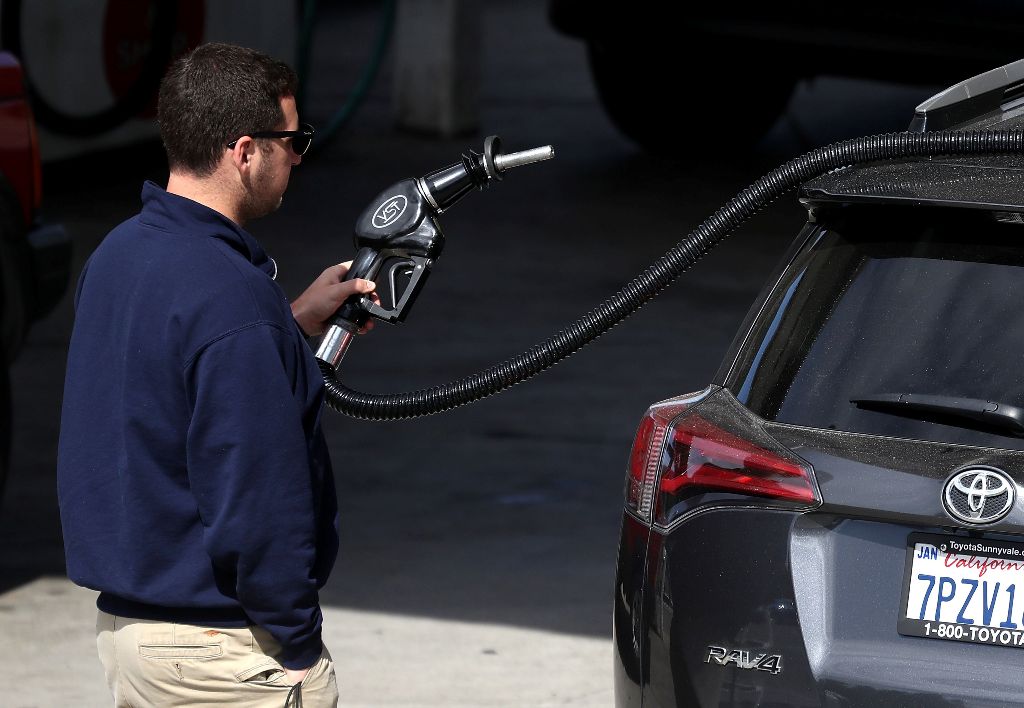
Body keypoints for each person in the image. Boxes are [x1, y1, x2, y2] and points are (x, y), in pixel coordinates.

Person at [56, 42, 374, 707]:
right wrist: (299, 646)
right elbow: (257, 495)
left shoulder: (119, 255)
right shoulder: (231, 297)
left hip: (132, 636)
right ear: (245, 151)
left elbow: (164, 389)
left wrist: (290, 326)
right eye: (293, 140)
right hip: (219, 656)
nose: (298, 156)